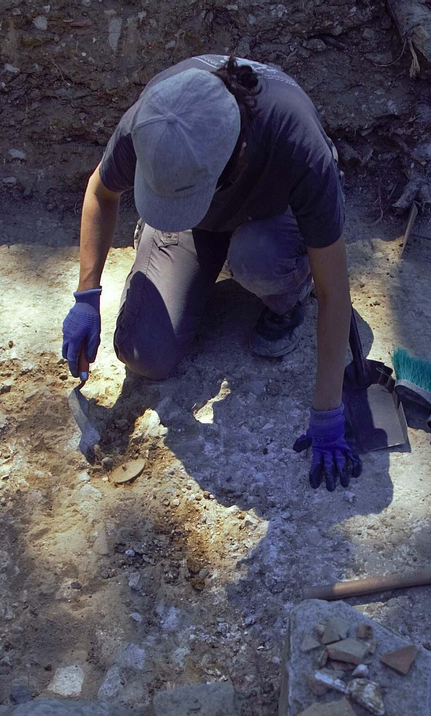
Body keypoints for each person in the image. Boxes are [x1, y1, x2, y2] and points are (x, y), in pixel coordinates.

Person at [60, 55, 362, 491]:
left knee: (257, 257)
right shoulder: (155, 123)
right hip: (197, 223)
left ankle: (288, 296)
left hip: (273, 219)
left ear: (236, 158)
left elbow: (336, 294)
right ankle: (180, 245)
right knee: (144, 353)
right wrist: (86, 295)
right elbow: (100, 190)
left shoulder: (297, 144)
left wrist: (328, 413)